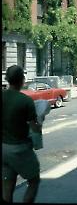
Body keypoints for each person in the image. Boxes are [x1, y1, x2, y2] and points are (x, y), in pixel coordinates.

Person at [2, 65, 42, 203]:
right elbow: (34, 128)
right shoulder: (25, 101)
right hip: (20, 149)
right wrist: (40, 121)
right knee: (34, 180)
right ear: (22, 80)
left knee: (7, 186)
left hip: (3, 149)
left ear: (7, 79)